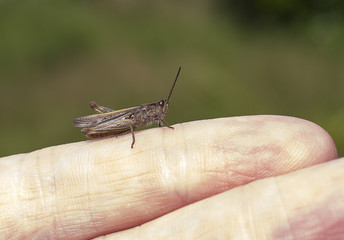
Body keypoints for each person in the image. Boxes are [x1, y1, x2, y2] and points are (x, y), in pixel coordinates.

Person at [0, 116, 342, 239]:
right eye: (158, 112)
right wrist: (132, 132)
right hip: (116, 124)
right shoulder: (143, 115)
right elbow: (137, 123)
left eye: (159, 113)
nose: (160, 115)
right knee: (121, 120)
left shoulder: (157, 114)